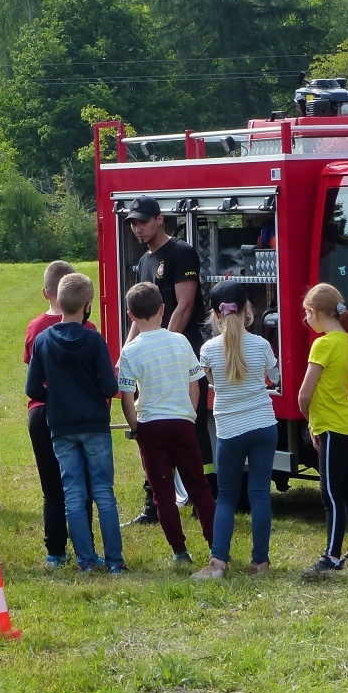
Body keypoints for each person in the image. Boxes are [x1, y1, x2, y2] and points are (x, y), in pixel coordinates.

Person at [26, 273, 125, 573]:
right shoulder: (94, 339)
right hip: (93, 423)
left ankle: (85, 560)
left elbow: (32, 389)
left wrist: (56, 397)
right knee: (103, 492)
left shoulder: (43, 340)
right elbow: (110, 388)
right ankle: (114, 562)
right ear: (87, 306)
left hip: (61, 426)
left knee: (72, 492)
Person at [123, 195, 210, 526]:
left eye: (143, 221)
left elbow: (185, 304)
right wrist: (127, 350)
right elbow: (141, 313)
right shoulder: (145, 261)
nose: (137, 228)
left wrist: (163, 345)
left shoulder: (180, 252)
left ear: (160, 220)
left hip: (182, 357)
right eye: (133, 223)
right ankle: (155, 504)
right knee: (153, 430)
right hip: (159, 359)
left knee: (190, 430)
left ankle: (203, 498)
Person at [117, 281, 216, 564]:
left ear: (130, 315)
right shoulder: (180, 341)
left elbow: (126, 396)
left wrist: (134, 426)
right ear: (163, 309)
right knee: (198, 486)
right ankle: (215, 546)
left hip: (150, 426)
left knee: (162, 491)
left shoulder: (130, 352)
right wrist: (191, 413)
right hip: (182, 422)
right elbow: (195, 384)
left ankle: (179, 550)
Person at [192, 281, 280, 580]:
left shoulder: (208, 350)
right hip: (264, 425)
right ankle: (261, 563)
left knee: (227, 497)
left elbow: (210, 382)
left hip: (230, 429)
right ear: (248, 310)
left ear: (215, 314)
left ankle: (218, 563)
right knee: (260, 495)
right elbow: (274, 377)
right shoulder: (262, 345)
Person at [23, 260, 92, 568]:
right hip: (78, 412)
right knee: (81, 483)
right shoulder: (87, 328)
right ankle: (85, 549)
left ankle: (55, 551)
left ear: (46, 293)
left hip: (42, 411)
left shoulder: (37, 328)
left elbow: (32, 372)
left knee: (52, 487)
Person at [297, 284, 348, 577]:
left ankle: (332, 556)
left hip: (329, 425)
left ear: (315, 313)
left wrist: (310, 420)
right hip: (346, 423)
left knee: (330, 494)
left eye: (306, 314)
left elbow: (304, 394)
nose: (305, 320)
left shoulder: (323, 345)